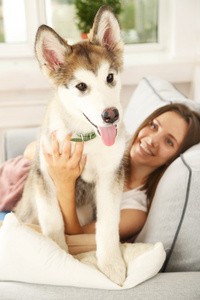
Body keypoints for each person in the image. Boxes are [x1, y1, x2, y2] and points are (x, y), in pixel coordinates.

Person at [32, 103, 200, 242]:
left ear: (174, 158)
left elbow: (77, 239)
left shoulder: (135, 210)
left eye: (169, 141)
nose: (151, 140)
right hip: (26, 180)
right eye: (154, 126)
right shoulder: (116, 139)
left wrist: (64, 182)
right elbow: (30, 151)